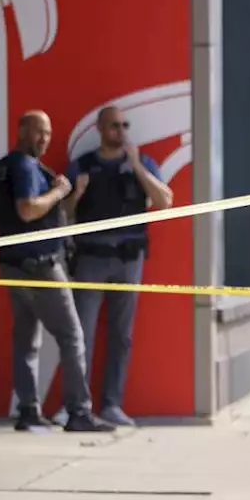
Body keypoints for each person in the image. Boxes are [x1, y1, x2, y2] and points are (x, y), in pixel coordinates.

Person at [0, 111, 115, 433]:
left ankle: (28, 411)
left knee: (26, 339)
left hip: (11, 265)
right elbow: (27, 209)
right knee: (72, 336)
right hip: (40, 266)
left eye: (48, 134)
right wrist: (59, 193)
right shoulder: (25, 166)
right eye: (39, 132)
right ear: (22, 130)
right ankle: (79, 412)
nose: (44, 140)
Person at [61, 105, 174, 427]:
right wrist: (77, 193)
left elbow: (165, 201)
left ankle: (112, 404)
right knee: (81, 334)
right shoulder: (83, 166)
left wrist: (137, 165)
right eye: (113, 125)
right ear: (100, 128)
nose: (120, 131)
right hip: (90, 260)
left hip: (128, 259)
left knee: (121, 336)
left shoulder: (141, 163)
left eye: (124, 125)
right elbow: (64, 215)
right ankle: (76, 407)